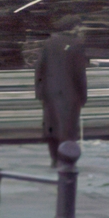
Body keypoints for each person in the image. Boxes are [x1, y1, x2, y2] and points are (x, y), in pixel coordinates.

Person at [35, 15, 88, 167]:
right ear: (72, 27)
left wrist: (40, 92)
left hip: (50, 94)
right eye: (78, 26)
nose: (80, 29)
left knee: (51, 127)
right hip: (70, 95)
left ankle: (54, 159)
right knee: (68, 129)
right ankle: (66, 159)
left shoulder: (49, 43)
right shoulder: (76, 44)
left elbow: (40, 69)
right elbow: (80, 74)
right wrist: (83, 96)